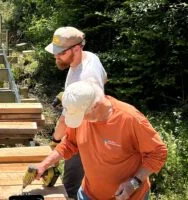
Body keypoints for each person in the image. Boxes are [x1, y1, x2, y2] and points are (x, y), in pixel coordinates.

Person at [34, 81, 168, 200]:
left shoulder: (130, 119)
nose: (80, 121)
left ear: (95, 106)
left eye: (82, 116)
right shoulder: (82, 116)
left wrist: (133, 183)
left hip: (130, 196)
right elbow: (69, 143)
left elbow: (158, 153)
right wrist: (44, 164)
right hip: (88, 194)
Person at [44, 26, 108, 198]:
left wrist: (55, 142)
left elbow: (65, 121)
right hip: (84, 124)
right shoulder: (91, 58)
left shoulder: (84, 77)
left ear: (77, 48)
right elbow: (104, 78)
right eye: (55, 52)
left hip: (84, 135)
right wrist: (68, 95)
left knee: (71, 184)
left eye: (61, 53)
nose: (56, 57)